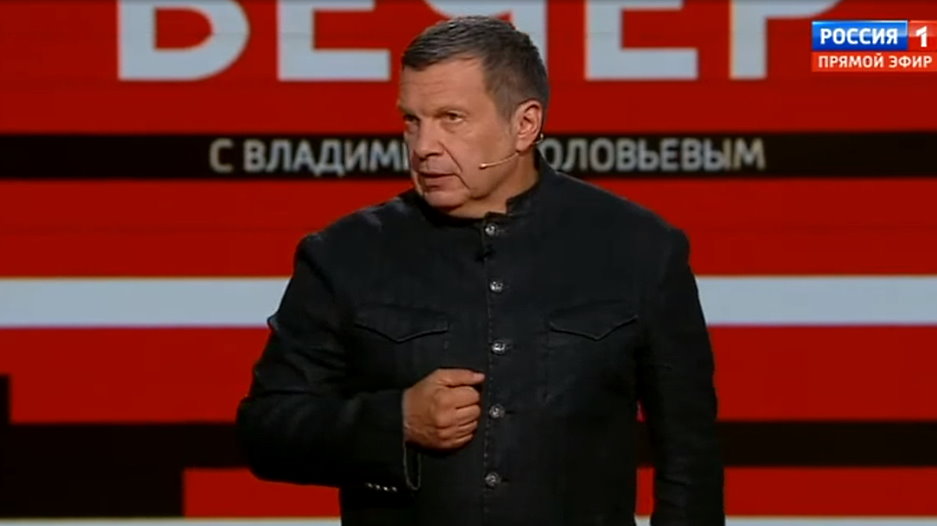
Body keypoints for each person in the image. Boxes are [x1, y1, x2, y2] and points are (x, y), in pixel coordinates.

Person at [236, 15, 724, 526]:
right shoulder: (344, 254)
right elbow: (266, 431)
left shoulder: (640, 249)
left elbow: (689, 460)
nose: (423, 146)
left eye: (451, 118)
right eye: (412, 120)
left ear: (525, 125)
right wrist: (395, 421)